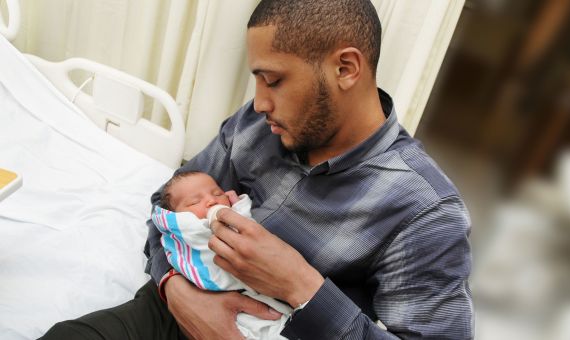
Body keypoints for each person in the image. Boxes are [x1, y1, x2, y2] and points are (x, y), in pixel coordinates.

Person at [42, 0, 473, 339]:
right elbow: (166, 203)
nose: (260, 102)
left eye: (274, 80)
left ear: (345, 68)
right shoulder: (257, 123)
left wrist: (302, 286)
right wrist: (174, 287)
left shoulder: (425, 211)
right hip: (169, 307)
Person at [153, 171, 291, 339]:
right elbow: (166, 219)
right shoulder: (189, 228)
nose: (212, 201)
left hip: (260, 298)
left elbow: (248, 229)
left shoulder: (234, 214)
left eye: (217, 193)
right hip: (199, 296)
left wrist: (239, 209)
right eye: (195, 202)